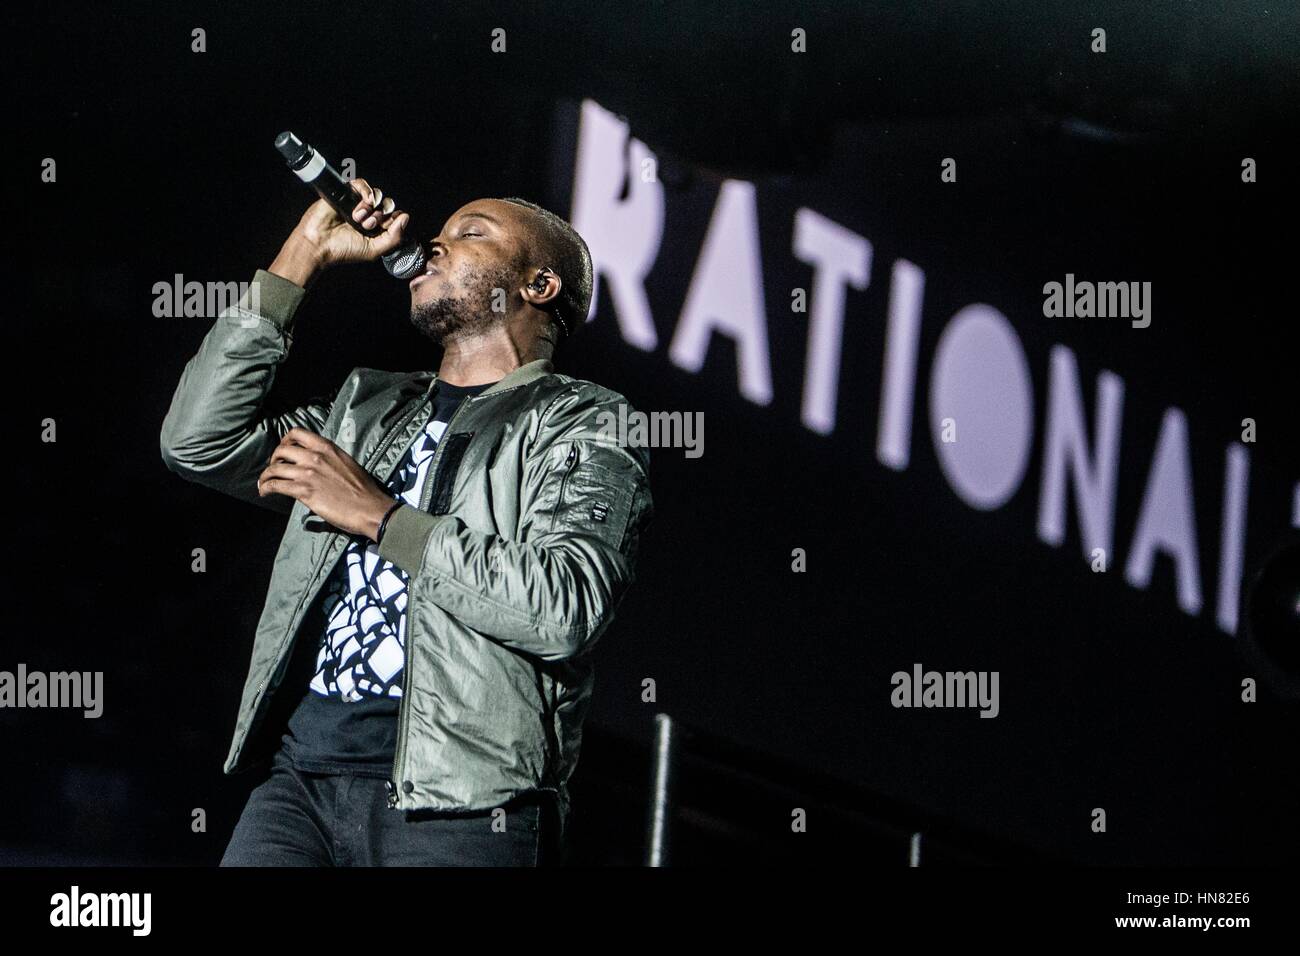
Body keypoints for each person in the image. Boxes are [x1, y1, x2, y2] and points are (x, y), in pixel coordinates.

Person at [160, 180, 654, 866]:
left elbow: (561, 606)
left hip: (465, 802)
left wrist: (380, 517)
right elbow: (198, 441)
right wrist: (304, 252)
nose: (435, 243)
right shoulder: (368, 406)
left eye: (472, 232)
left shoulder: (583, 420)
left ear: (537, 284)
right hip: (301, 780)